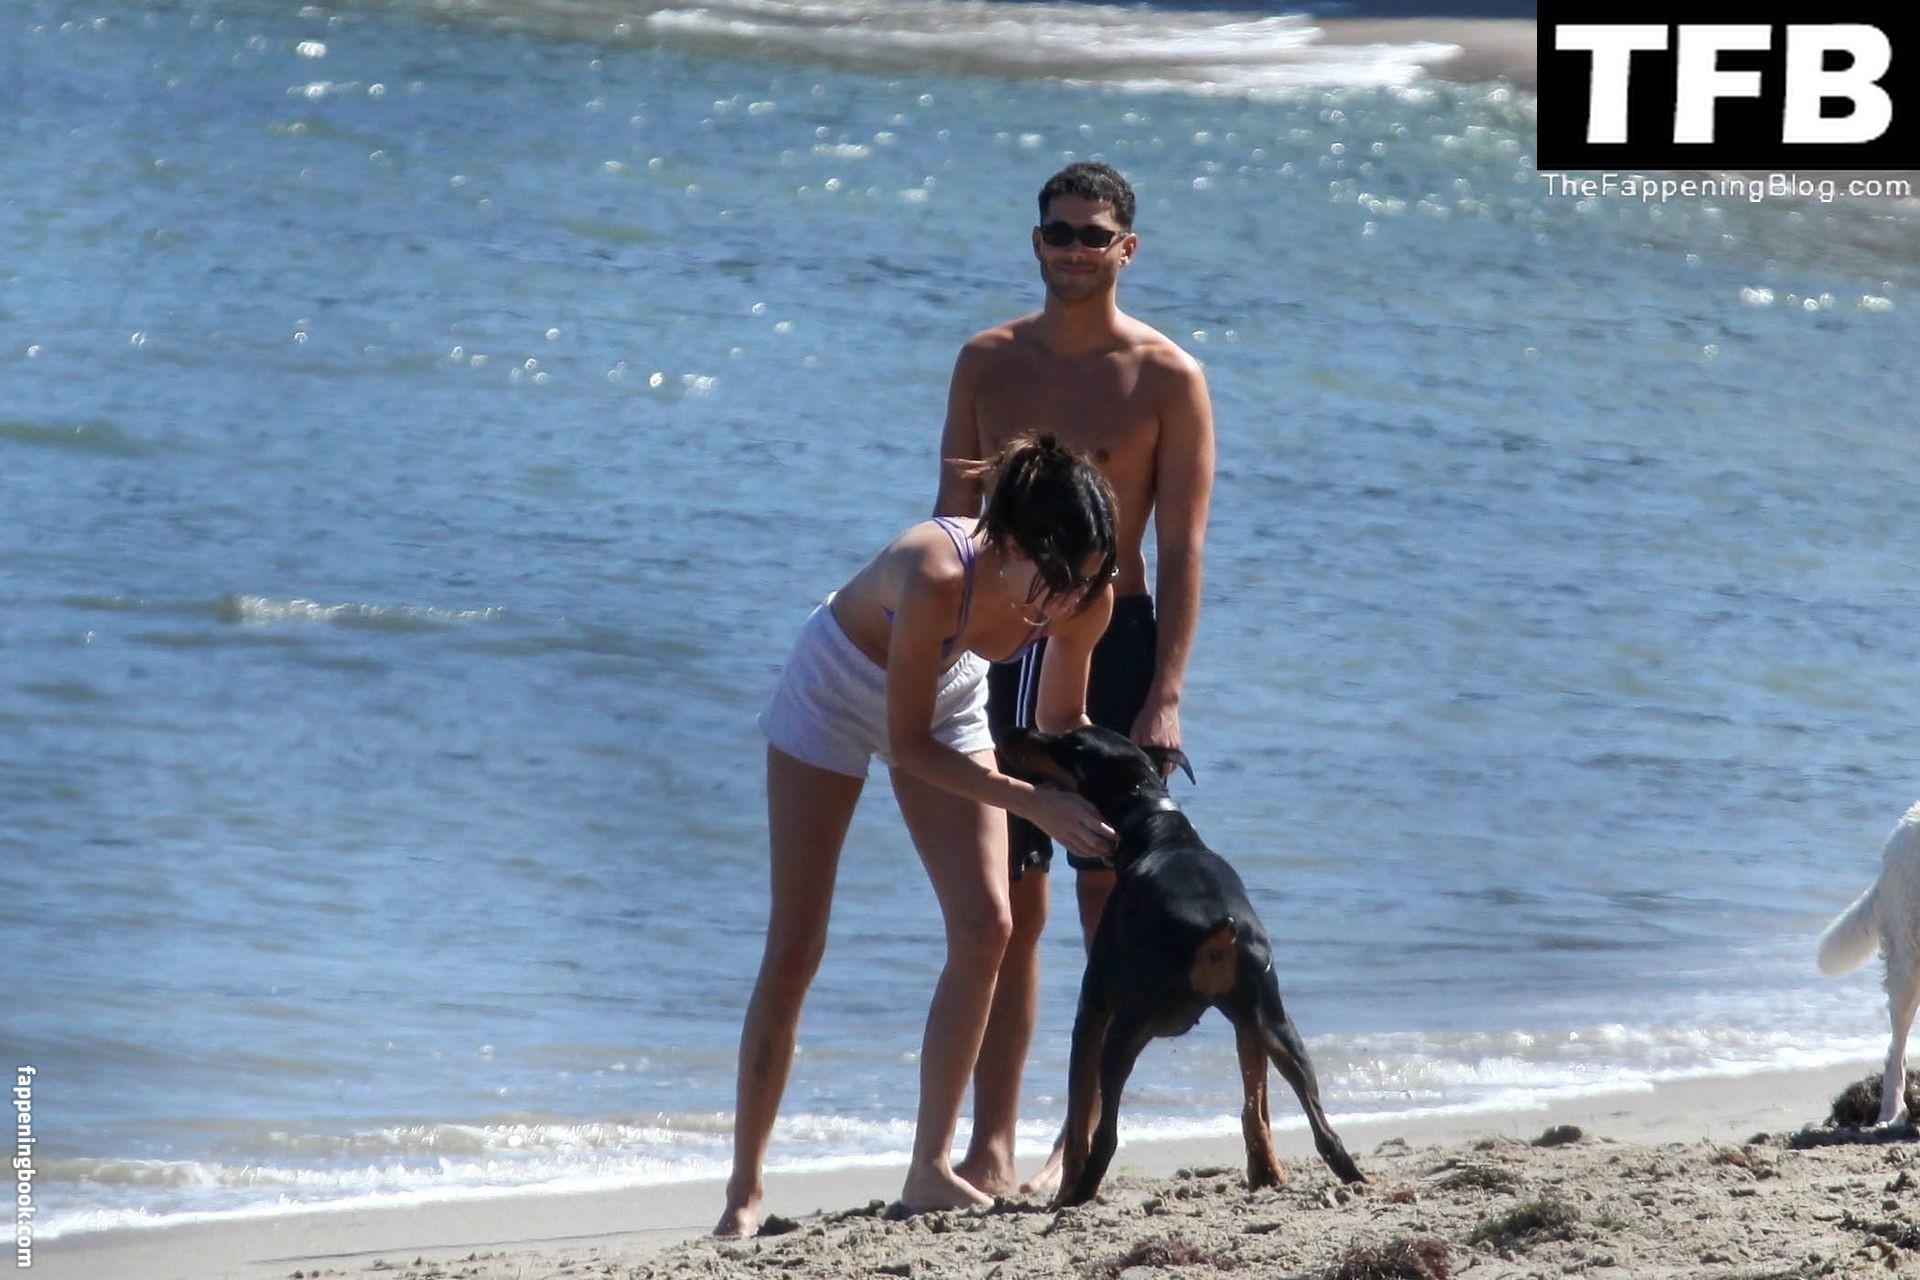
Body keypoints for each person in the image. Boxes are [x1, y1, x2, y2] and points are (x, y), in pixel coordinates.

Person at [715, 435, 1124, 1238]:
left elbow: (1059, 721)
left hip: (949, 691)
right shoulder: (937, 574)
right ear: (1013, 545)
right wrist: (1031, 801)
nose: (1073, 601)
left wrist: (1117, 794)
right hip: (835, 689)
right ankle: (743, 1191)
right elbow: (909, 748)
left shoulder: (1086, 594)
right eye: (1061, 581)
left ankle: (929, 1169)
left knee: (988, 925)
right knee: (796, 944)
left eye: (1089, 579)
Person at [933, 161, 1216, 1198]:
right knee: (1005, 910)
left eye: (1093, 235)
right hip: (998, 646)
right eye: (1058, 232)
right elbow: (952, 524)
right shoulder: (986, 360)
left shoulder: (1167, 377)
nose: (1073, 249)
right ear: (1036, 240)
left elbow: (1183, 550)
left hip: (1115, 642)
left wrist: (1166, 693)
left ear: (1126, 249)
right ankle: (991, 1142)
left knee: (1109, 901)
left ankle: (1083, 1132)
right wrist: (941, 655)